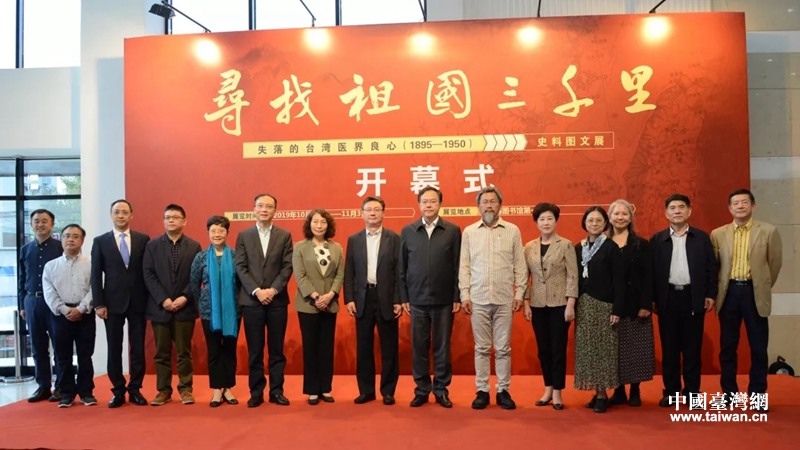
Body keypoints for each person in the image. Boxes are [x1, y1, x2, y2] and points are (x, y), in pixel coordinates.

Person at [711, 189, 782, 412]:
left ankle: (758, 396)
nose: (740, 206)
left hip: (754, 292)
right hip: (729, 293)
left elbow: (775, 264)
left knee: (759, 348)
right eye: (735, 203)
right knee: (727, 347)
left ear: (753, 206)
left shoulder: (768, 231)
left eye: (744, 202)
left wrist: (761, 286)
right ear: (729, 208)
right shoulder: (718, 234)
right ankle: (729, 395)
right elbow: (714, 266)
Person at [459, 187, 527, 410]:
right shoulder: (469, 232)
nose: (489, 205)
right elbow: (464, 266)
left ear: (500, 205)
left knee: (503, 348)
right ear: (478, 206)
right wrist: (465, 294)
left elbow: (520, 265)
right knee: (481, 348)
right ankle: (482, 391)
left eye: (493, 201)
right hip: (477, 298)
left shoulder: (512, 230)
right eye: (485, 202)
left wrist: (519, 293)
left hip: (504, 299)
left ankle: (503, 391)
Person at [650, 194, 717, 407]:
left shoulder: (702, 238)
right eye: (672, 208)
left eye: (681, 207)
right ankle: (671, 392)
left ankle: (692, 393)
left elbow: (711, 268)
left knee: (692, 350)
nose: (677, 211)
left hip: (693, 297)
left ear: (689, 211)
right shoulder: (657, 240)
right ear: (666, 213)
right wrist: (653, 298)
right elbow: (651, 273)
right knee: (669, 350)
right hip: (668, 298)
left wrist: (710, 294)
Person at [399, 186, 462, 408]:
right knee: (419, 347)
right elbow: (402, 267)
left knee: (442, 347)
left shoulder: (452, 231)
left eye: (433, 201)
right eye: (424, 201)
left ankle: (441, 390)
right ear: (419, 204)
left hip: (444, 300)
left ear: (440, 204)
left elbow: (458, 265)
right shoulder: (408, 231)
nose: (428, 205)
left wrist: (457, 296)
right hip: (416, 300)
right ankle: (422, 390)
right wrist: (404, 296)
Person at [235, 193, 294, 408]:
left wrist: (273, 290)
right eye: (260, 206)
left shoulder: (284, 235)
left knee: (277, 350)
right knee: (255, 350)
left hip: (277, 301)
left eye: (269, 206)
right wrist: (257, 291)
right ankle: (256, 392)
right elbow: (240, 266)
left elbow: (287, 266)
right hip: (252, 302)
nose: (264, 210)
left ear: (275, 211)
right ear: (254, 209)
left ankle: (276, 391)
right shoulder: (244, 235)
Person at [91, 199, 150, 408]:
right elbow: (95, 275)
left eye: (125, 212)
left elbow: (147, 271)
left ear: (131, 215)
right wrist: (99, 303)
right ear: (111, 215)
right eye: (117, 212)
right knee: (114, 348)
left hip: (138, 302)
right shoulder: (100, 241)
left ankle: (135, 389)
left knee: (138, 349)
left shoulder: (143, 239)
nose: (121, 216)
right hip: (111, 303)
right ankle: (117, 390)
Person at [344, 196, 402, 406]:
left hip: (387, 298)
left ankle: (388, 391)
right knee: (364, 347)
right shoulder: (354, 239)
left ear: (383, 213)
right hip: (363, 298)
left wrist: (398, 299)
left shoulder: (394, 238)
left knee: (389, 347)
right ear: (362, 214)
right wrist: (349, 298)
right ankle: (366, 391)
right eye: (368, 209)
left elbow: (399, 271)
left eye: (377, 209)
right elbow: (349, 271)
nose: (373, 213)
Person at [143, 204, 202, 406]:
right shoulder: (152, 246)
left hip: (185, 307)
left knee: (184, 352)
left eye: (175, 217)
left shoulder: (194, 246)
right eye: (167, 217)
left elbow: (196, 276)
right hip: (160, 308)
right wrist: (163, 299)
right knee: (162, 353)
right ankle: (163, 391)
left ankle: (185, 389)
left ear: (184, 221)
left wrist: (185, 296)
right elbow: (148, 275)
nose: (171, 220)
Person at [522, 203, 578, 411]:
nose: (546, 223)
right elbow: (524, 276)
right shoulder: (529, 247)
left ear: (556, 220)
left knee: (558, 350)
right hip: (537, 304)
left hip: (560, 304)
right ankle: (547, 389)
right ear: (536, 222)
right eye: (542, 219)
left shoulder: (566, 245)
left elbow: (573, 276)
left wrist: (570, 303)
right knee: (543, 350)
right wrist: (526, 303)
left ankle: (557, 393)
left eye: (550, 218)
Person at [574, 206, 625, 413]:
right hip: (584, 306)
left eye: (598, 220)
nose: (594, 224)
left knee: (603, 351)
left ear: (605, 223)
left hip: (605, 306)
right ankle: (597, 391)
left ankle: (603, 395)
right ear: (584, 223)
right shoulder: (579, 247)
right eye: (590, 220)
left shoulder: (611, 247)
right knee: (588, 351)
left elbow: (620, 281)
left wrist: (617, 309)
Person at [293, 209, 345, 405]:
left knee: (326, 348)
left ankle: (325, 388)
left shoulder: (337, 248)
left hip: (329, 303)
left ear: (328, 225)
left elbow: (340, 274)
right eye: (315, 222)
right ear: (309, 224)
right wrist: (315, 296)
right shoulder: (300, 247)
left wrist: (330, 295)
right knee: (310, 347)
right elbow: (299, 275)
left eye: (323, 222)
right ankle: (312, 390)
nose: (319, 225)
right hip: (308, 304)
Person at [607, 199, 655, 407]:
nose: (620, 217)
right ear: (609, 217)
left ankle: (635, 390)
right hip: (610, 306)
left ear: (630, 218)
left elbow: (649, 276)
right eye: (616, 213)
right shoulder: (602, 243)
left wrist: (645, 304)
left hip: (636, 305)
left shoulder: (641, 244)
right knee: (614, 350)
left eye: (624, 214)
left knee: (635, 350)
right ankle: (618, 391)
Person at [42, 224, 96, 408]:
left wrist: (81, 309)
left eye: (75, 236)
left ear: (82, 240)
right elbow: (49, 292)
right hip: (60, 316)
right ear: (61, 239)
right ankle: (66, 394)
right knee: (62, 356)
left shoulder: (91, 264)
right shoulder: (51, 266)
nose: (70, 239)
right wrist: (64, 310)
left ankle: (86, 392)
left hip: (85, 315)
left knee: (85, 356)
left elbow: (95, 289)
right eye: (66, 236)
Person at [190, 215, 241, 408]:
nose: (217, 234)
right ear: (208, 233)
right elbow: (194, 284)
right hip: (209, 312)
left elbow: (242, 283)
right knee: (214, 351)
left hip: (233, 311)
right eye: (213, 231)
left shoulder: (236, 256)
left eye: (221, 230)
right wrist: (203, 302)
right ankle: (217, 389)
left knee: (229, 350)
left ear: (227, 233)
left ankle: (228, 387)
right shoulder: (201, 257)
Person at [19, 209, 63, 403]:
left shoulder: (60, 247)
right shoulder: (25, 249)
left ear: (52, 224)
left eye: (45, 221)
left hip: (54, 302)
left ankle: (61, 386)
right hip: (32, 302)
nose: (40, 224)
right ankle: (43, 386)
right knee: (38, 347)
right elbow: (21, 279)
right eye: (36, 221)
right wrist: (22, 304)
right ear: (31, 225)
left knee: (60, 346)